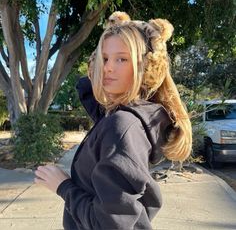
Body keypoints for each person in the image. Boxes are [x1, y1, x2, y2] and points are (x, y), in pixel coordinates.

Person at [35, 14, 192, 230]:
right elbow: (90, 93)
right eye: (105, 59)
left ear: (145, 68)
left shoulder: (122, 127)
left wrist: (63, 186)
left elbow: (108, 225)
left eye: (122, 59)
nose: (108, 67)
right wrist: (97, 65)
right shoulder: (124, 116)